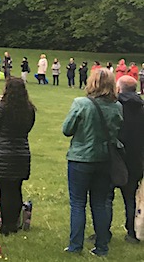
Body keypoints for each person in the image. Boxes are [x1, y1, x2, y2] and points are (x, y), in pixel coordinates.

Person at [61, 68, 122, 256]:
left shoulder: (81, 103)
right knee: (99, 202)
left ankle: (75, 245)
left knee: (78, 203)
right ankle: (102, 246)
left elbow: (67, 129)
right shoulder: (117, 106)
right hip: (104, 159)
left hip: (81, 157)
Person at [0, 78, 36, 236]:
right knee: (16, 189)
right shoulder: (29, 109)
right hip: (21, 152)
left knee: (5, 191)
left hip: (4, 152)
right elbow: (28, 128)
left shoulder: (2, 108)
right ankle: (14, 223)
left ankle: (6, 226)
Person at [116, 75, 144, 244]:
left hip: (117, 156)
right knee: (131, 196)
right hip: (137, 158)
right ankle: (132, 231)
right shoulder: (142, 108)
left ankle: (103, 232)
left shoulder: (115, 107)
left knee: (105, 196)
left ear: (119, 89)